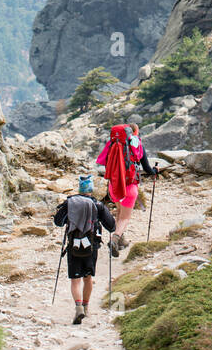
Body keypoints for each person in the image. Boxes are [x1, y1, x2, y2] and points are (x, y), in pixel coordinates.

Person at [53, 175, 116, 324]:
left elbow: (58, 222)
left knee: (75, 280)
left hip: (74, 244)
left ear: (80, 188)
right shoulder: (97, 205)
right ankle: (86, 307)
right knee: (88, 278)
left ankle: (78, 307)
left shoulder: (70, 203)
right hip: (91, 246)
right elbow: (111, 226)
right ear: (91, 189)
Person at [95, 122, 158, 257]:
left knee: (119, 211)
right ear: (134, 132)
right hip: (129, 186)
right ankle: (115, 238)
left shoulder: (113, 144)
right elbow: (147, 168)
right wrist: (154, 171)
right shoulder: (136, 143)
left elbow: (103, 161)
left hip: (114, 185)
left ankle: (121, 241)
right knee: (125, 217)